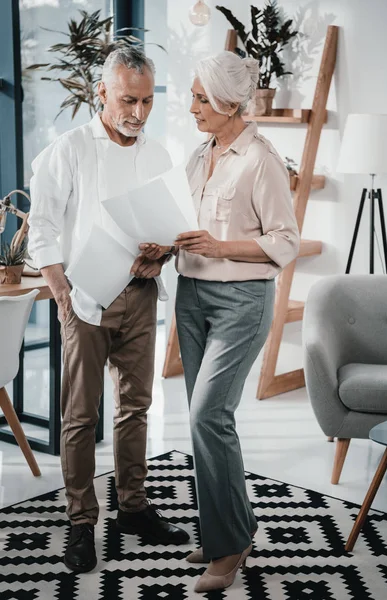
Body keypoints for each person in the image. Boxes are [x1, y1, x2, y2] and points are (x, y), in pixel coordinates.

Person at [139, 51, 300, 593]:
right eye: (191, 96)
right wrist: (163, 247)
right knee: (201, 420)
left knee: (211, 415)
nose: (190, 107)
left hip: (241, 303)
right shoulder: (199, 155)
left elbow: (286, 242)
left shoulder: (262, 160)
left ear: (231, 103)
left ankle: (229, 548)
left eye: (200, 98)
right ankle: (228, 530)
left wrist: (220, 245)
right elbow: (188, 223)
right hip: (190, 295)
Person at [28, 47, 189, 574]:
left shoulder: (160, 155)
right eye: (127, 99)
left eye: (146, 101)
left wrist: (161, 252)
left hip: (140, 297)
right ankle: (80, 522)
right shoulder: (67, 151)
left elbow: (173, 228)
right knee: (79, 416)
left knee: (136, 407)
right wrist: (63, 298)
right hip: (84, 296)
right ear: (101, 92)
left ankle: (134, 508)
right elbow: (42, 232)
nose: (138, 112)